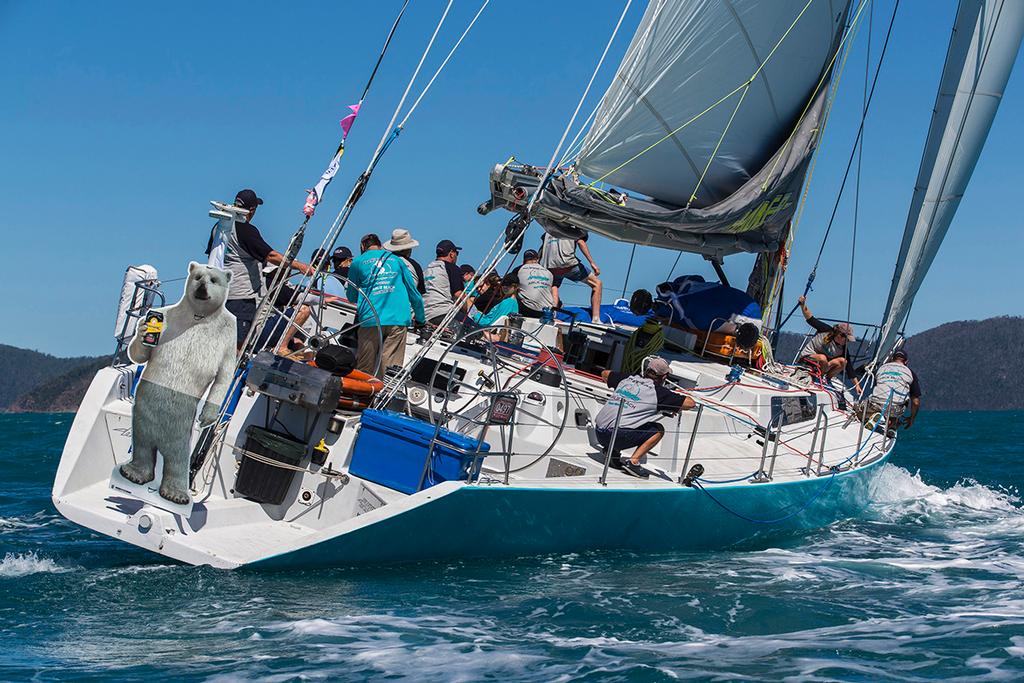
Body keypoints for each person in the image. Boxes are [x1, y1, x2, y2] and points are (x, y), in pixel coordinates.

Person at [208, 189, 315, 347]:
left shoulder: (219, 227)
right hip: (242, 297)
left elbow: (212, 254)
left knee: (222, 342)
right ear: (252, 210)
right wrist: (299, 266)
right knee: (238, 345)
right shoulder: (245, 230)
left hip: (220, 294)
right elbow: (271, 256)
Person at [594, 356, 695, 479]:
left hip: (598, 433)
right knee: (658, 430)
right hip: (615, 436)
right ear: (664, 377)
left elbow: (605, 373)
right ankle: (633, 462)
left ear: (646, 370)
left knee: (625, 420)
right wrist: (664, 405)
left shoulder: (627, 379)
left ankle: (611, 452)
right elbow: (691, 403)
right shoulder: (659, 393)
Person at [346, 233, 425, 377]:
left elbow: (351, 296)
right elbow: (414, 294)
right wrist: (420, 319)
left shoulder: (357, 262)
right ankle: (384, 398)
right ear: (380, 245)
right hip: (398, 319)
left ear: (363, 247)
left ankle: (360, 397)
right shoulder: (396, 260)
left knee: (364, 369)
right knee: (390, 369)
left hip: (371, 319)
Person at [796, 296, 859, 388]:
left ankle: (827, 379)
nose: (848, 342)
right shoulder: (825, 330)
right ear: (840, 335)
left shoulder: (843, 348)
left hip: (823, 366)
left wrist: (857, 386)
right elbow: (811, 319)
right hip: (808, 358)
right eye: (847, 339)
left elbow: (850, 369)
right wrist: (802, 304)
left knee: (843, 361)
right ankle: (819, 377)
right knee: (823, 358)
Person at [540, 231, 602, 324]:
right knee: (597, 284)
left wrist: (538, 264)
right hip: (568, 264)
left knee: (554, 286)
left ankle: (552, 315)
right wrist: (592, 263)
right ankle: (596, 318)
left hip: (550, 266)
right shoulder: (574, 227)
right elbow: (581, 242)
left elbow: (542, 249)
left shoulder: (549, 229)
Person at [861, 349, 922, 430]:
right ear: (906, 362)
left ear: (892, 358)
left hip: (875, 404)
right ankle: (891, 424)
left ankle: (876, 417)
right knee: (901, 402)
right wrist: (912, 418)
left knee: (860, 413)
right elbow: (916, 402)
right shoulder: (910, 373)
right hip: (894, 409)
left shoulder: (881, 368)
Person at [423, 239, 469, 325]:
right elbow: (459, 295)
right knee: (479, 332)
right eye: (457, 253)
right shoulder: (452, 268)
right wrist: (465, 313)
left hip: (425, 315)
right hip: (443, 313)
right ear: (451, 253)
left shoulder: (426, 271)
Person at [383, 228, 425, 295]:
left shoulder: (383, 263)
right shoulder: (414, 265)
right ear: (408, 249)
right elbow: (420, 292)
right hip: (407, 304)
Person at [516, 249, 555, 319]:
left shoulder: (519, 269)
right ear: (537, 259)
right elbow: (553, 290)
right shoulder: (549, 273)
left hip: (527, 308)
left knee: (511, 295)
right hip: (546, 311)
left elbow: (509, 284)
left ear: (524, 260)